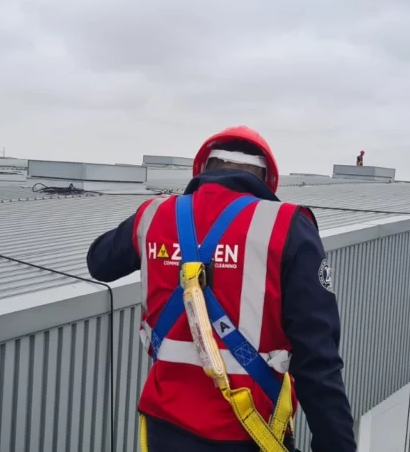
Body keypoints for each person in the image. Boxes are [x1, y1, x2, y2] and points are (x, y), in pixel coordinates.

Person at [86, 126, 356, 452]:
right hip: (249, 433)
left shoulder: (154, 215)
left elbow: (99, 262)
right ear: (265, 179)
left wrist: (167, 246)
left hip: (163, 431)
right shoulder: (287, 227)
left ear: (203, 170)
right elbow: (318, 360)